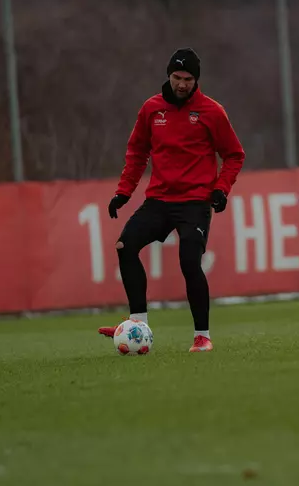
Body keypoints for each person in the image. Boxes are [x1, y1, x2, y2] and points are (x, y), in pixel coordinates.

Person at [98, 48, 245, 351]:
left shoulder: (212, 111)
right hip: (160, 201)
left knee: (189, 261)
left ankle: (202, 336)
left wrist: (221, 188)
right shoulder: (152, 109)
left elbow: (234, 155)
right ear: (168, 75)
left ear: (196, 80)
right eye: (177, 77)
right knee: (125, 246)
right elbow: (137, 152)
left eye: (188, 79)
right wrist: (123, 192)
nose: (181, 84)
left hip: (195, 202)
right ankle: (138, 326)